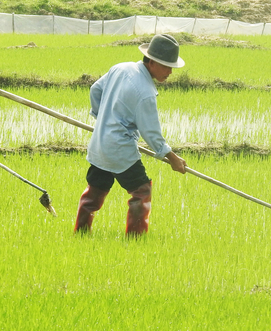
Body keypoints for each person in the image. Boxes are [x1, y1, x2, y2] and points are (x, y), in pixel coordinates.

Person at [74, 33, 188, 236]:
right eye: (166, 66)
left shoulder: (121, 68)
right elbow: (152, 133)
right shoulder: (145, 92)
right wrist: (173, 158)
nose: (170, 72)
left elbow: (95, 90)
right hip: (119, 149)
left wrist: (103, 120)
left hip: (100, 143)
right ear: (152, 62)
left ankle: (81, 232)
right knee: (141, 190)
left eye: (172, 67)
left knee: (96, 189)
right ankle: (136, 238)